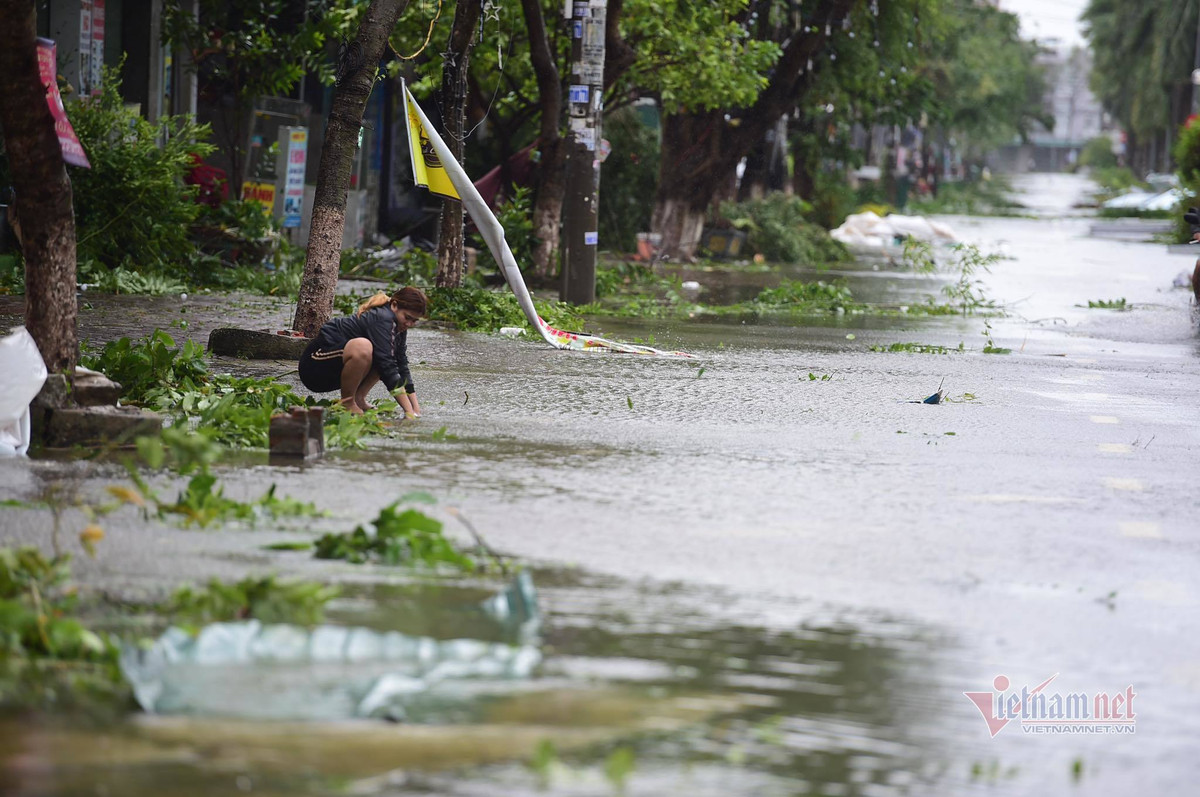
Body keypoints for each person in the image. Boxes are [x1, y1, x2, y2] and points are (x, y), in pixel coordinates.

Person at [298, 287, 426, 416]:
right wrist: (408, 412)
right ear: (394, 305)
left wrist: (415, 410)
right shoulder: (382, 318)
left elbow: (401, 364)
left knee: (384, 353)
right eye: (407, 317)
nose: (409, 323)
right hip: (314, 366)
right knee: (365, 347)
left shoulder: (399, 326)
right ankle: (347, 402)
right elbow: (388, 368)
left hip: (338, 367)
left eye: (414, 321)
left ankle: (358, 399)